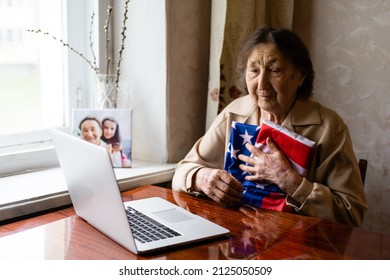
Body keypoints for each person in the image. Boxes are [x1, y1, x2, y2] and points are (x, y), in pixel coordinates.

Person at [172, 26, 368, 227]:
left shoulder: (328, 127)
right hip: (237, 239)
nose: (262, 83)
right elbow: (181, 172)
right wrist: (202, 177)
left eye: (275, 70)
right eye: (254, 70)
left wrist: (290, 181)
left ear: (300, 76)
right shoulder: (234, 112)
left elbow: (351, 214)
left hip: (299, 248)